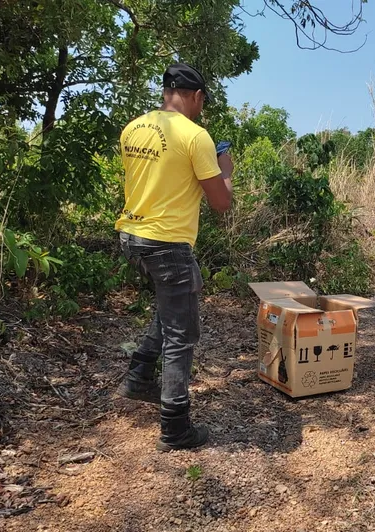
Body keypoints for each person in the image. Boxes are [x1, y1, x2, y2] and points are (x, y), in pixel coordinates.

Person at [113, 62, 234, 452]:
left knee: (170, 310)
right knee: (183, 334)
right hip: (168, 243)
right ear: (196, 96)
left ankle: (139, 377)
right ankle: (175, 426)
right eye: (203, 102)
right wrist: (225, 168)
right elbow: (221, 203)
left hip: (132, 237)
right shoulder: (195, 136)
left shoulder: (133, 128)